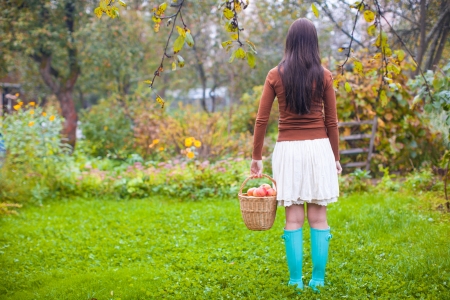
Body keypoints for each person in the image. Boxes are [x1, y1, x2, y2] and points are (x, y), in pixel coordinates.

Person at [250, 18, 342, 292]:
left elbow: (261, 120)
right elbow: (332, 122)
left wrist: (256, 156)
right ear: (314, 43)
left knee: (293, 219)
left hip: (288, 152)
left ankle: (295, 281)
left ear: (289, 42)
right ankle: (318, 280)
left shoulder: (274, 74)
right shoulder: (324, 75)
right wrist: (335, 157)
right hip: (318, 150)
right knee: (318, 217)